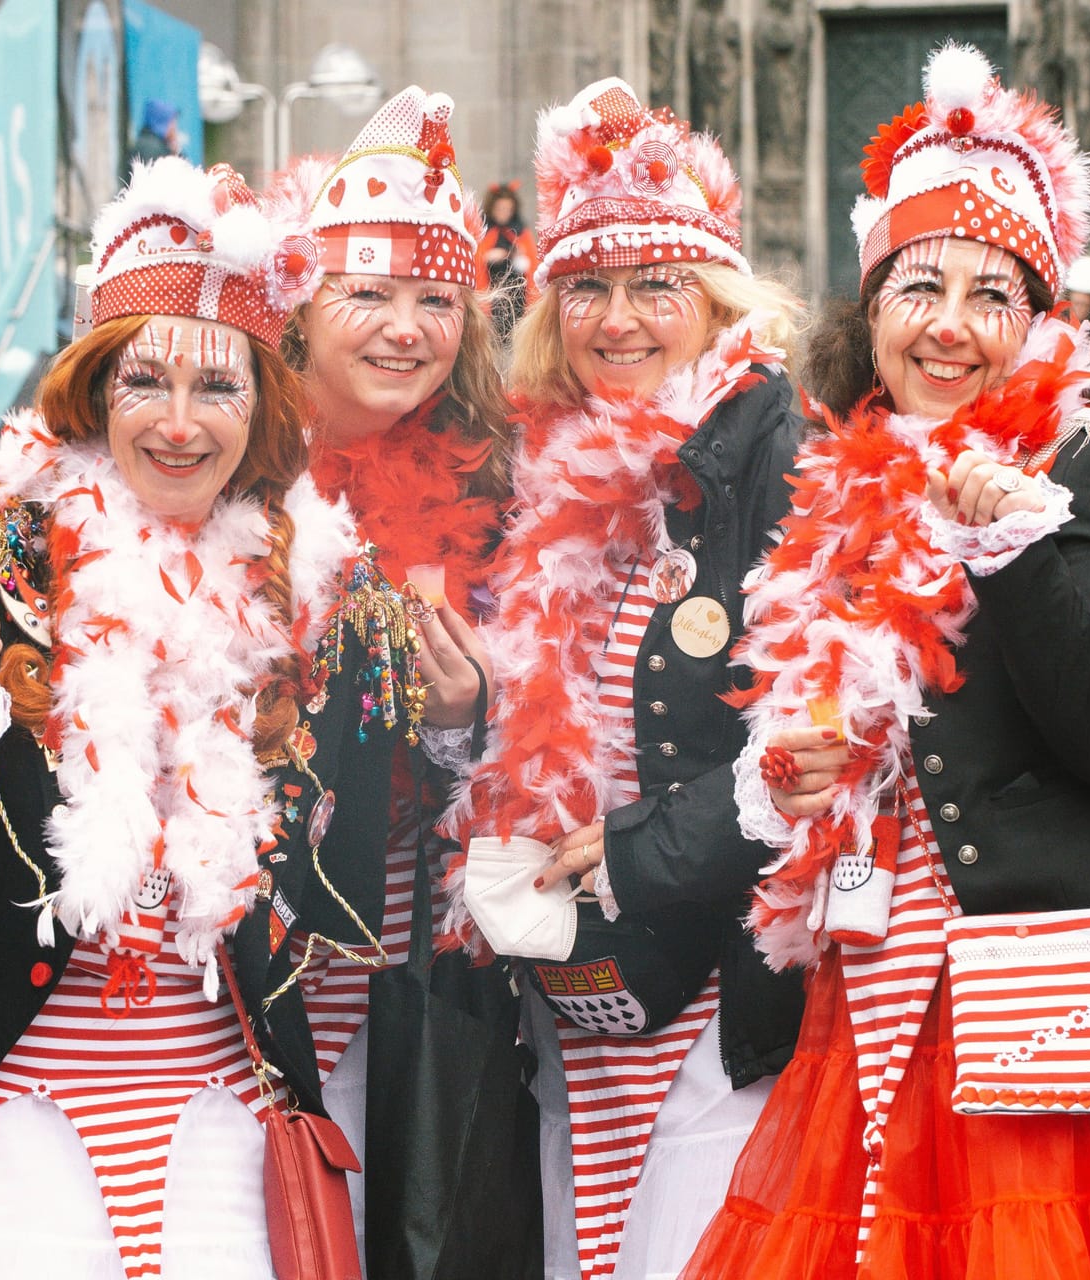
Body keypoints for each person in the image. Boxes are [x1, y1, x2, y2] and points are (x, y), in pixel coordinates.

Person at [681, 44, 1090, 1279]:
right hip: (881, 990)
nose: (949, 327)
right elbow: (833, 741)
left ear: (1040, 321)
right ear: (869, 306)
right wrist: (786, 777)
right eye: (917, 287)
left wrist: (1014, 546)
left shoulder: (1089, 465)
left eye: (993, 296)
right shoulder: (840, 491)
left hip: (1055, 997)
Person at [0, 156, 421, 1279]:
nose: (181, 424)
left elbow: (362, 878)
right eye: (145, 382)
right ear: (90, 390)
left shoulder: (327, 589)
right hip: (0, 1108)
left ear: (263, 403)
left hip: (224, 1116)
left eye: (219, 387)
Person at [441, 77, 808, 1280]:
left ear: (715, 299)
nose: (620, 319)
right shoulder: (540, 467)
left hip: (720, 983)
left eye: (659, 286)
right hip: (578, 988)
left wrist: (639, 847)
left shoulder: (770, 444)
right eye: (589, 286)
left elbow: (820, 726)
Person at [270, 84, 533, 1270]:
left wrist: (471, 717)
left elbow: (513, 768)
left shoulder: (494, 491)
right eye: (365, 293)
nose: (404, 327)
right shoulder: (222, 455)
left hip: (403, 984)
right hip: (235, 975)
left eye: (436, 299)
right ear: (297, 311)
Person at [477, 179, 540, 338]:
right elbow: (476, 261)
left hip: (517, 295)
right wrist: (488, 258)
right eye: (500, 208)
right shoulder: (484, 231)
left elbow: (532, 264)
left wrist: (511, 255)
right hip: (491, 293)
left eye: (508, 209)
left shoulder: (520, 231)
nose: (504, 212)